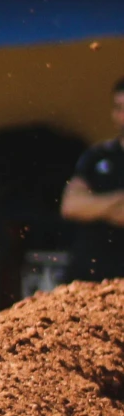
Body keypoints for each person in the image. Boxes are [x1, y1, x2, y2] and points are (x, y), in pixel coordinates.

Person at [60, 79, 124, 285]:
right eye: (118, 108)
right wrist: (118, 200)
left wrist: (95, 205)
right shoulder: (97, 156)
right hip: (87, 279)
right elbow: (71, 205)